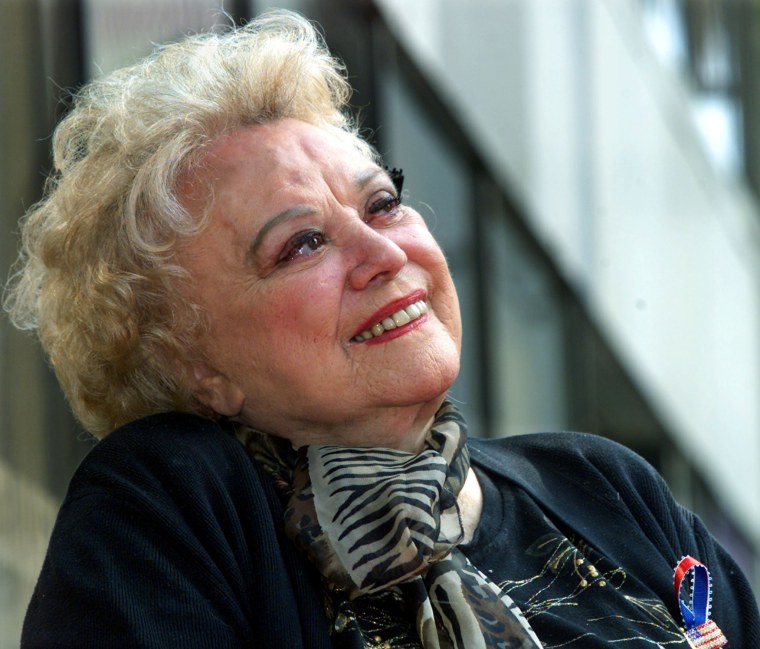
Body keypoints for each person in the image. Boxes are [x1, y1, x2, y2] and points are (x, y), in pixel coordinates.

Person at [5, 9, 758, 649]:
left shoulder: (604, 485)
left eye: (381, 204)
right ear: (194, 362)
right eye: (302, 244)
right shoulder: (174, 504)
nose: (383, 253)